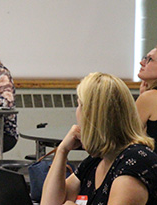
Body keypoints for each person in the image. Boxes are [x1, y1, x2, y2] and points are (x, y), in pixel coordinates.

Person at [41, 72, 157, 205]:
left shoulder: (135, 162)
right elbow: (49, 202)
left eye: (79, 105)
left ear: (91, 115)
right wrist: (62, 151)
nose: (77, 112)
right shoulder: (97, 160)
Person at [136, 45, 157, 149]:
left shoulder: (150, 97)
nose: (142, 62)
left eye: (150, 59)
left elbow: (125, 138)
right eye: (145, 57)